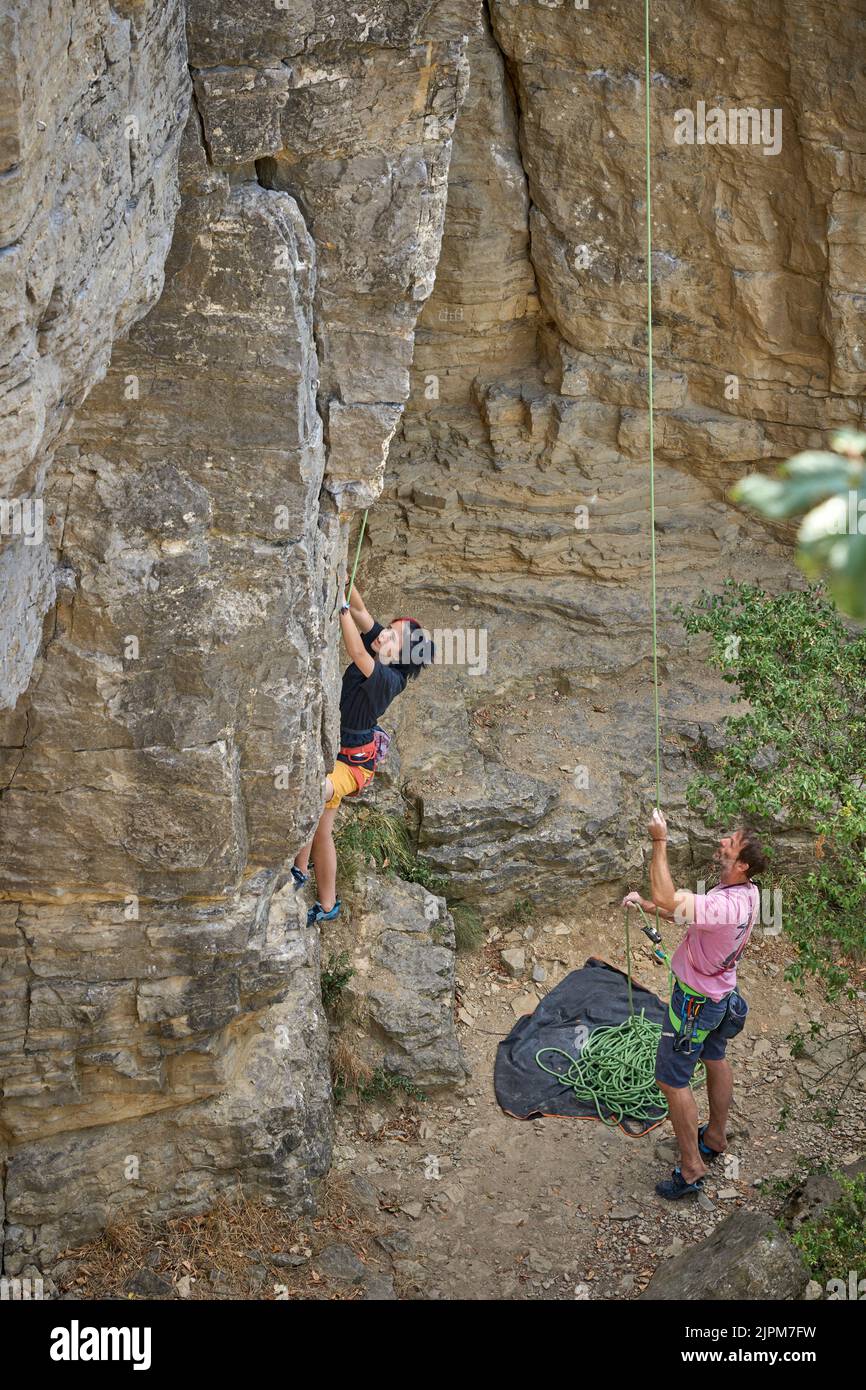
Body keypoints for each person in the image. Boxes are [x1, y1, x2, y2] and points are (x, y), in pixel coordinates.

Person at [623, 811, 765, 1199]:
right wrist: (651, 907)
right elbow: (680, 909)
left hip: (695, 1005)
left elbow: (673, 897)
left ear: (742, 864)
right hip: (721, 995)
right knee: (715, 1057)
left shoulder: (724, 906)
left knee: (672, 1079)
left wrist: (659, 840)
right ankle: (715, 1137)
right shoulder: (746, 893)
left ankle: (691, 1168)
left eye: (729, 844)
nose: (721, 842)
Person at [292, 582, 434, 926]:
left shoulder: (389, 679)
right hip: (342, 752)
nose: (383, 635)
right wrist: (345, 582)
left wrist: (340, 609)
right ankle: (326, 903)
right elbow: (361, 612)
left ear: (399, 657)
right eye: (388, 630)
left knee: (315, 791)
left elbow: (356, 651)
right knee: (322, 830)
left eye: (392, 638)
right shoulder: (382, 645)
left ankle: (297, 870)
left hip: (352, 764)